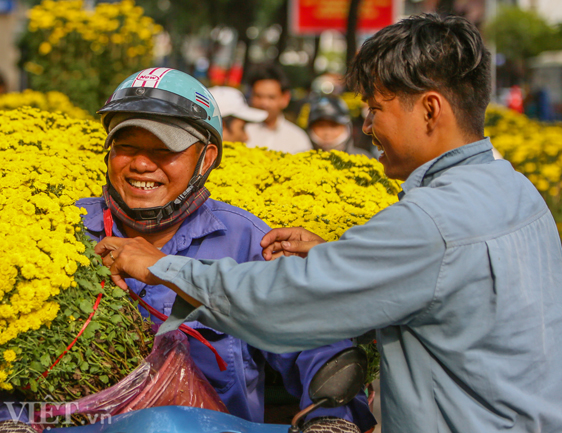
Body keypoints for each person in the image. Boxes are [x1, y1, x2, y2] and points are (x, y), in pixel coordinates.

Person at [96, 15, 562, 433]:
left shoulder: (430, 222)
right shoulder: (515, 191)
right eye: (127, 145)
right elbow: (448, 280)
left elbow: (284, 305)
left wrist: (162, 267)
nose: (366, 126)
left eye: (376, 109)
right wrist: (332, 257)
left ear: (430, 109)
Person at [0, 68, 375, 433]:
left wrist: (330, 420)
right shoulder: (59, 233)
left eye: (164, 149)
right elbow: (5, 359)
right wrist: (7, 422)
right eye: (127, 145)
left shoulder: (247, 241)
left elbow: (316, 346)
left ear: (207, 158)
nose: (142, 164)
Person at [245, 65, 312, 153]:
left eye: (271, 97)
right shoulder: (240, 131)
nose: (264, 103)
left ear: (285, 99)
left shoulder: (297, 138)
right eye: (258, 96)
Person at [306, 96, 371, 156]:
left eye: (333, 126)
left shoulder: (363, 159)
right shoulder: (301, 161)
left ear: (346, 127)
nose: (327, 132)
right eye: (321, 126)